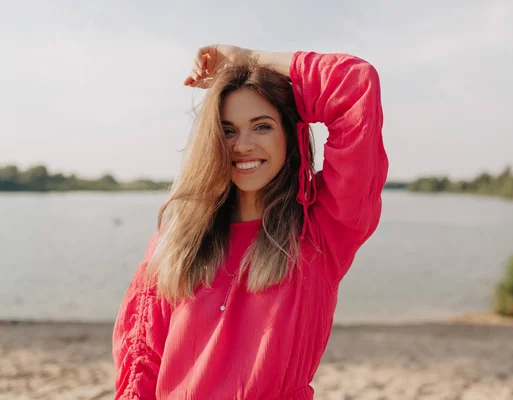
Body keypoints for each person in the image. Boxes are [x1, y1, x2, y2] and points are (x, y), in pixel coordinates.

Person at [112, 44, 388, 399]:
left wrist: (249, 60)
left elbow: (354, 85)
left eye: (262, 126)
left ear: (290, 135)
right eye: (227, 130)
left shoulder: (322, 230)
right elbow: (141, 359)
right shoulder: (179, 236)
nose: (243, 145)